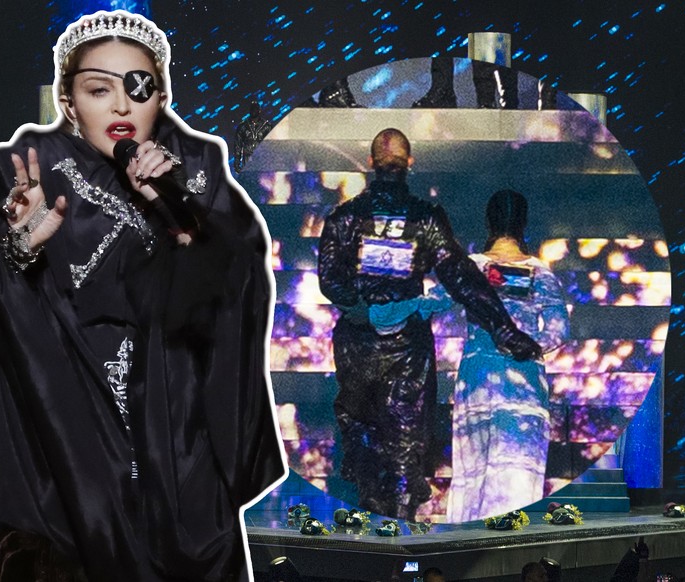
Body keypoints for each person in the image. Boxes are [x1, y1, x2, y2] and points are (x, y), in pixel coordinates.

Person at [0, 11, 284, 581]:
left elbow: (241, 297)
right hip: (58, 451)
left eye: (139, 87)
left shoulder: (198, 175)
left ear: (163, 95)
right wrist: (18, 250)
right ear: (69, 101)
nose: (122, 107)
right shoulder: (23, 171)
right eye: (99, 89)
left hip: (177, 454)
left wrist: (184, 229)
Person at [317, 128, 541, 520]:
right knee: (401, 441)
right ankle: (397, 531)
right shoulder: (422, 218)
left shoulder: (345, 217)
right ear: (410, 164)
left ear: (371, 163)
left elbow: (330, 280)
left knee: (369, 437)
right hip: (401, 348)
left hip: (363, 345)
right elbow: (459, 276)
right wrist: (503, 327)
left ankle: (381, 534)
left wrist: (367, 308)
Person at [447, 189, 569, 522]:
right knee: (517, 474)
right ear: (524, 224)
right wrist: (524, 347)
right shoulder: (541, 272)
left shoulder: (470, 267)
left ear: (488, 220)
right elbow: (558, 331)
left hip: (478, 380)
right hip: (523, 383)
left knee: (473, 472)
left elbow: (437, 306)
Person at [233, 101, 272, 173]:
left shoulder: (267, 126)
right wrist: (237, 161)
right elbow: (238, 145)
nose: (253, 111)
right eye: (252, 109)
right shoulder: (243, 126)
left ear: (259, 110)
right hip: (248, 158)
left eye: (255, 109)